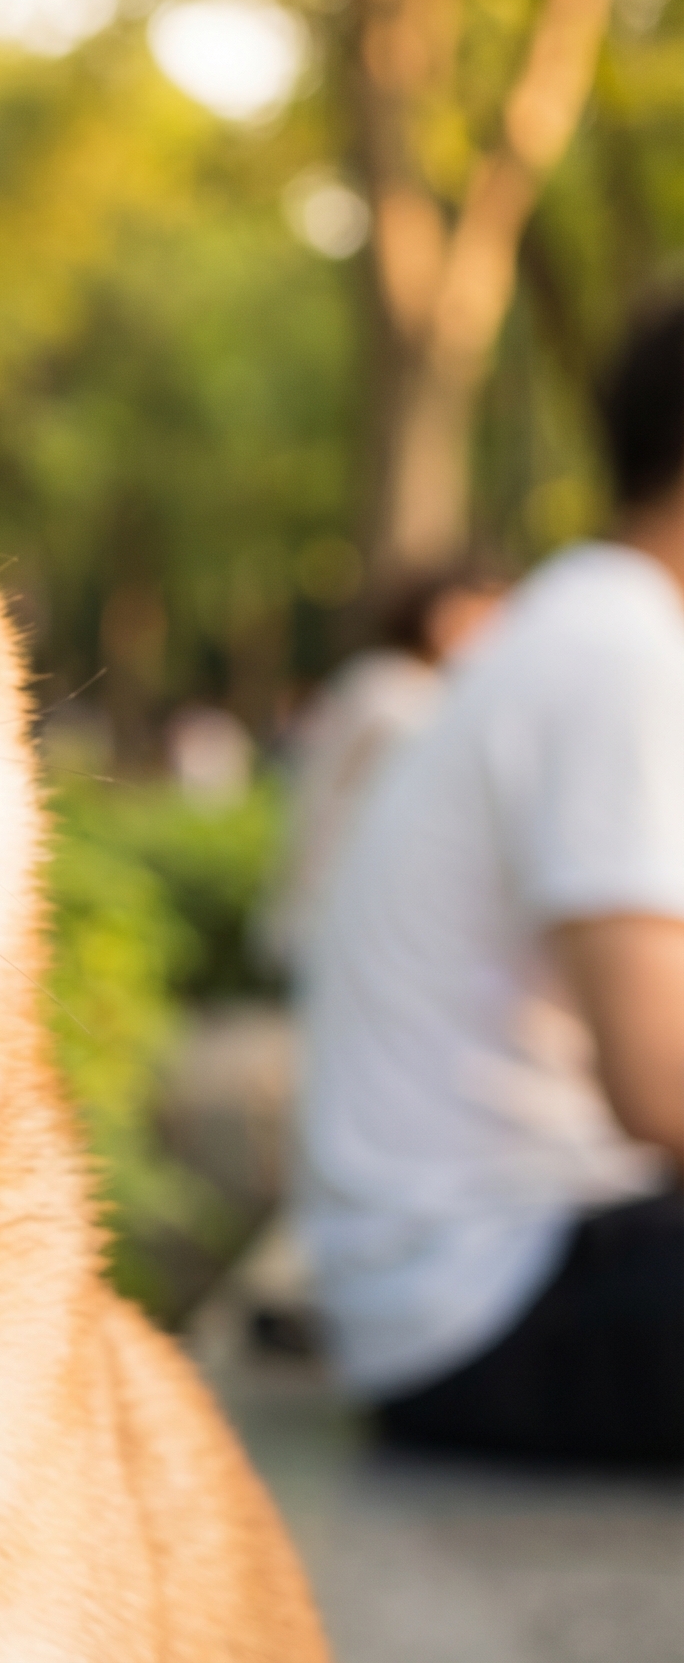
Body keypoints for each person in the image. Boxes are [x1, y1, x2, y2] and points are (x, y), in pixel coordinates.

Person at [294, 297, 684, 1466]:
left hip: (465, 1273)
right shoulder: (619, 650)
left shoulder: (589, 629)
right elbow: (661, 1084)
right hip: (483, 1300)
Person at [262, 562, 506, 973]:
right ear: (439, 617)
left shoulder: (382, 682)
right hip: (348, 910)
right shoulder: (399, 695)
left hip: (340, 909)